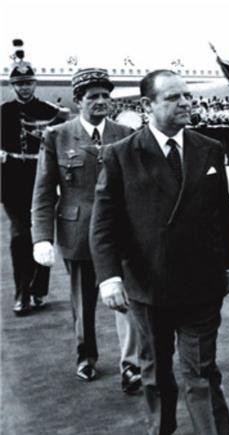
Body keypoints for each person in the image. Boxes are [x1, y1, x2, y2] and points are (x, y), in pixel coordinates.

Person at [90, 70, 229, 434]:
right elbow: (104, 223)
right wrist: (109, 277)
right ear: (148, 105)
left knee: (202, 371)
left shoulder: (209, 148)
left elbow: (223, 211)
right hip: (149, 285)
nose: (185, 103)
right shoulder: (121, 155)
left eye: (187, 95)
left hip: (201, 283)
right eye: (173, 98)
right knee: (155, 373)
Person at [31, 68, 142, 390]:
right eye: (93, 96)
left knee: (126, 298)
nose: (101, 101)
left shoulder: (125, 134)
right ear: (78, 100)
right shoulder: (57, 135)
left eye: (106, 96)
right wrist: (42, 237)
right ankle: (86, 356)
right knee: (84, 301)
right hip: (78, 231)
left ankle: (131, 365)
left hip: (121, 232)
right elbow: (43, 191)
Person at [1, 41, 65, 315]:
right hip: (12, 181)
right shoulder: (3, 112)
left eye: (28, 83)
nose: (24, 88)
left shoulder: (51, 112)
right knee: (19, 236)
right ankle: (22, 293)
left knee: (42, 235)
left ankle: (39, 288)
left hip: (43, 181)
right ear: (12, 86)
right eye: (19, 84)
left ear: (35, 84)